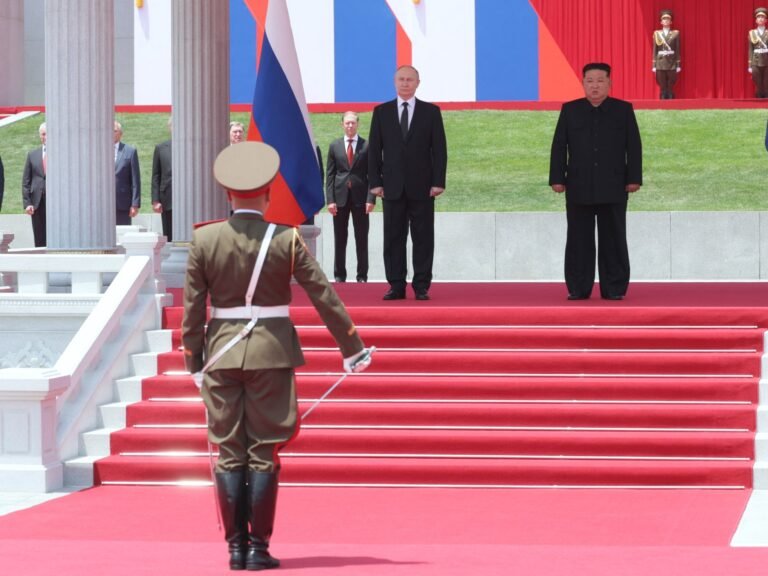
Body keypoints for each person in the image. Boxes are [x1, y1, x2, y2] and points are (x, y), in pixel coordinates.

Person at [182, 141, 372, 571]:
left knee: (230, 451)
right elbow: (323, 293)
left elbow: (193, 308)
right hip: (271, 353)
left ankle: (235, 549)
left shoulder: (204, 239)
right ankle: (259, 549)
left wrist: (193, 361)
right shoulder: (285, 238)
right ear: (267, 192)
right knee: (264, 451)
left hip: (221, 356)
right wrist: (351, 346)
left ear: (228, 195)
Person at [549, 62, 642, 301]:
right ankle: (578, 288)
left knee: (614, 237)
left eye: (600, 81)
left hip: (614, 185)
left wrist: (634, 178)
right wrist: (557, 179)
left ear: (610, 83)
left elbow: (633, 146)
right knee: (579, 238)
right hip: (579, 186)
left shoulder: (623, 110)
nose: (595, 86)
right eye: (590, 81)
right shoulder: (570, 110)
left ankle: (614, 288)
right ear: (583, 83)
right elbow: (560, 146)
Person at [368, 65, 447, 301]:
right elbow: (374, 150)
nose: (405, 83)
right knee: (393, 238)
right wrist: (375, 182)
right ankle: (396, 285)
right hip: (391, 187)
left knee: (423, 237)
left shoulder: (431, 112)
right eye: (401, 79)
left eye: (409, 80)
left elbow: (440, 150)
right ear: (395, 82)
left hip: (423, 187)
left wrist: (438, 182)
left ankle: (421, 285)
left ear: (417, 83)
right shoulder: (381, 112)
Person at [326, 111, 376, 283]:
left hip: (361, 200)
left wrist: (371, 199)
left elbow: (373, 175)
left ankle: (362, 276)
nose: (350, 126)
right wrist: (330, 200)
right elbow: (330, 176)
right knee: (340, 239)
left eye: (353, 123)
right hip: (339, 200)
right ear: (342, 125)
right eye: (347, 123)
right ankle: (339, 276)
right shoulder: (335, 146)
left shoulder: (367, 145)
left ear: (358, 124)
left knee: (361, 239)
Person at [22, 122, 47, 247]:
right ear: (40, 136)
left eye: (48, 134)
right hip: (37, 203)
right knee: (39, 236)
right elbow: (26, 181)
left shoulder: (60, 154)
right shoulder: (32, 155)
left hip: (55, 203)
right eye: (43, 134)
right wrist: (27, 203)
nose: (45, 137)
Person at [114, 121, 141, 225]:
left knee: (122, 235)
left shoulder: (130, 151)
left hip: (123, 203)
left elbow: (135, 180)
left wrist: (135, 204)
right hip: (103, 204)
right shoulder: (99, 150)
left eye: (114, 131)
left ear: (120, 134)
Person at [151, 117, 173, 241]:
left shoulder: (191, 146)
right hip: (167, 198)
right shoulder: (161, 148)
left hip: (187, 197)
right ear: (170, 128)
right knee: (169, 232)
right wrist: (155, 200)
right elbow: (156, 175)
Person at [652, 9, 680, 99]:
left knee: (671, 81)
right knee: (661, 82)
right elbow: (655, 49)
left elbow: (678, 49)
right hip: (660, 61)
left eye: (668, 19)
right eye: (664, 19)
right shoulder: (657, 34)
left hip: (671, 61)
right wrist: (654, 64)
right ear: (661, 22)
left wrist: (678, 64)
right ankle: (663, 95)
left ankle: (670, 95)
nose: (666, 20)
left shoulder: (676, 33)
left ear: (671, 21)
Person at [749, 7, 768, 98]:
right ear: (756, 20)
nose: (760, 18)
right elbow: (750, 49)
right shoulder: (752, 33)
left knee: (766, 82)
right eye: (759, 17)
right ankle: (759, 99)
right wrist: (749, 65)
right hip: (756, 61)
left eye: (762, 17)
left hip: (767, 60)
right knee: (758, 82)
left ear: (766, 20)